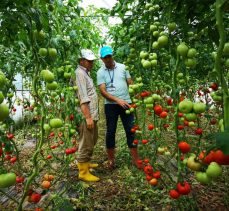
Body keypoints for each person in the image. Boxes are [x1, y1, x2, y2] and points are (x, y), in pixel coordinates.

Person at [97, 46, 140, 169]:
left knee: (131, 130)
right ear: (102, 59)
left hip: (127, 103)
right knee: (110, 132)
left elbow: (130, 82)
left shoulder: (122, 67)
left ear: (112, 55)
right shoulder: (100, 72)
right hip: (110, 106)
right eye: (105, 57)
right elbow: (103, 91)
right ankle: (111, 160)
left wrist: (135, 96)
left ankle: (136, 160)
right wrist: (117, 100)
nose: (108, 59)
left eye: (109, 56)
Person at [74, 49, 100, 182]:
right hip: (86, 114)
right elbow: (82, 97)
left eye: (92, 61)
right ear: (81, 61)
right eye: (89, 61)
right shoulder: (79, 73)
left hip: (91, 113)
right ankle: (83, 172)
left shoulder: (85, 73)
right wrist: (88, 117)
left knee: (92, 138)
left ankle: (86, 163)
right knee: (86, 143)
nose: (92, 63)